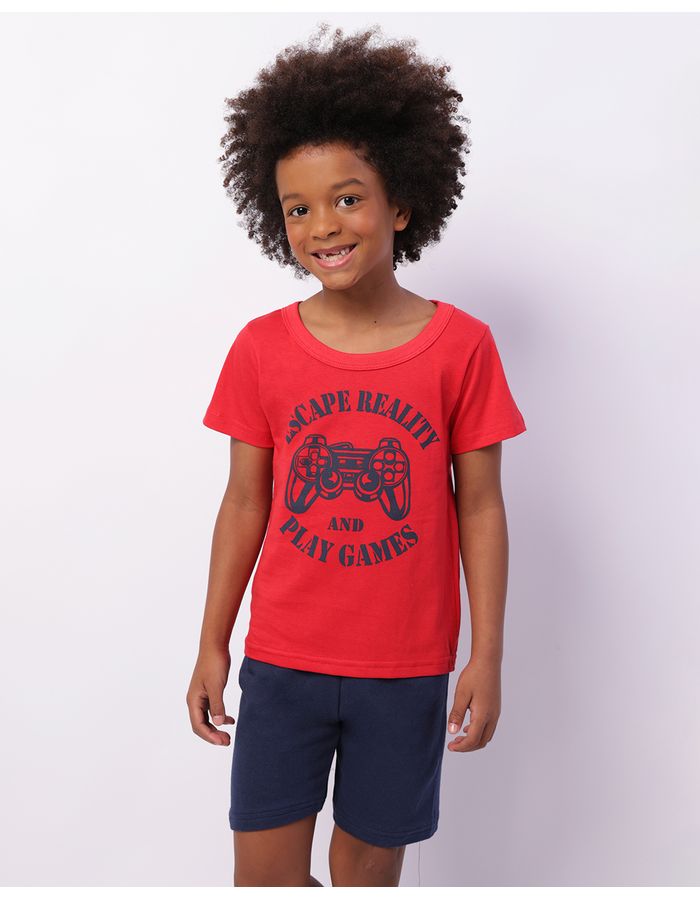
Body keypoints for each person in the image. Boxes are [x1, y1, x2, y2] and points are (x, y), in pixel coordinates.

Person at [186, 22, 527, 888]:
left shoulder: (462, 347)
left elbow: (481, 505)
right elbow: (244, 502)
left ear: (401, 203)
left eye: (347, 198)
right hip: (283, 662)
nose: (322, 226)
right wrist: (212, 643)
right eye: (297, 208)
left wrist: (487, 655)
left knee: (365, 878)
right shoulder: (261, 348)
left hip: (405, 670)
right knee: (264, 878)